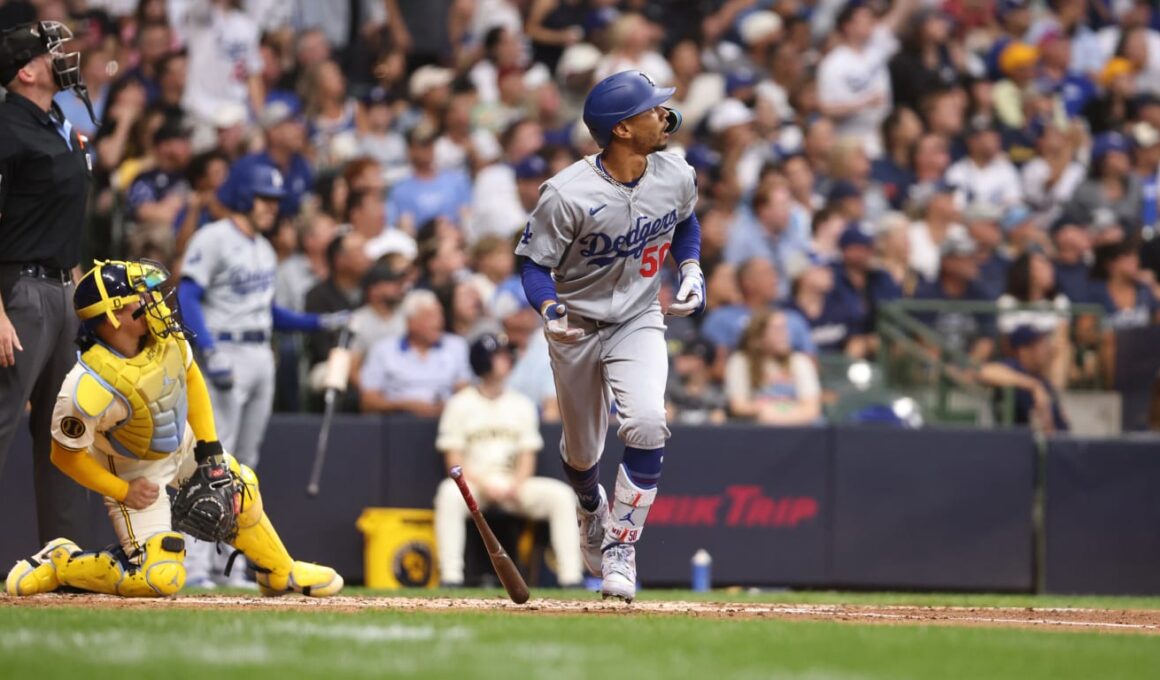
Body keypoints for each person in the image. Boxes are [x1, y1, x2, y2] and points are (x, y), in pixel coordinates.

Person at [3, 260, 342, 598]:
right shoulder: (88, 384)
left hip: (181, 444)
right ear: (113, 315)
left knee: (241, 490)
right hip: (131, 467)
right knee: (158, 578)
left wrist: (209, 450)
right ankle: (62, 561)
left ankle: (280, 572)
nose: (155, 302)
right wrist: (123, 490)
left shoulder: (166, 338)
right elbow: (63, 456)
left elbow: (192, 380)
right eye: (142, 297)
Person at [515, 71, 700, 602]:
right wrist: (548, 306)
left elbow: (685, 223)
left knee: (646, 422)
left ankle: (620, 545)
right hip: (574, 323)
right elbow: (533, 263)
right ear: (622, 130)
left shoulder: (675, 172)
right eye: (652, 109)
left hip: (638, 317)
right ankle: (591, 507)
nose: (664, 115)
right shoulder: (566, 194)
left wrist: (690, 268)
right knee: (580, 453)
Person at [176, 164, 349, 586]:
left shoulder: (265, 249)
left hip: (259, 352)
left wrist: (317, 323)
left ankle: (230, 565)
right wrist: (209, 348)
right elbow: (187, 293)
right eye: (263, 199)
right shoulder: (213, 237)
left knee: (245, 464)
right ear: (241, 194)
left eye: (274, 201)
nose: (271, 208)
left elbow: (268, 311)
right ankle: (196, 566)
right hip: (227, 348)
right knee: (212, 463)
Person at [0, 21, 96, 548]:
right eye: (48, 51)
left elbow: (62, 223)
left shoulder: (56, 120)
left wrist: (81, 299)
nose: (63, 56)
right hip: (18, 292)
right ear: (25, 70)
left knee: (66, 432)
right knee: (1, 421)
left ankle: (65, 559)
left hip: (60, 288)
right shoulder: (8, 127)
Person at [433, 333, 583, 587]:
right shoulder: (460, 404)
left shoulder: (521, 404)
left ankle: (571, 578)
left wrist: (514, 484)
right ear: (483, 360)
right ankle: (451, 577)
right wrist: (485, 484)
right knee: (448, 493)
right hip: (475, 483)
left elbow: (527, 456)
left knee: (561, 496)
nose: (506, 359)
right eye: (499, 355)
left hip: (514, 482)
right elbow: (454, 460)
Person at [359, 289, 472, 417]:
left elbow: (465, 389)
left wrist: (450, 405)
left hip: (447, 419)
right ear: (411, 322)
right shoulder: (383, 350)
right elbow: (368, 401)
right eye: (430, 316)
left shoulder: (456, 346)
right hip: (398, 422)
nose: (439, 321)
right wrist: (404, 405)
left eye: (440, 315)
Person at [724, 309, 822, 425]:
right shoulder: (740, 361)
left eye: (784, 328)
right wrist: (766, 411)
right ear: (758, 338)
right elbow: (738, 406)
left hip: (800, 429)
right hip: (757, 430)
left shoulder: (800, 361)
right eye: (777, 330)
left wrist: (776, 414)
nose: (784, 335)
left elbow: (811, 409)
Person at [980, 325, 1070, 433]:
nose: (1046, 349)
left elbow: (1062, 424)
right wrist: (1033, 386)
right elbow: (985, 372)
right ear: (1023, 350)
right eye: (1039, 345)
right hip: (1021, 443)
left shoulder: (1043, 380)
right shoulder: (1014, 367)